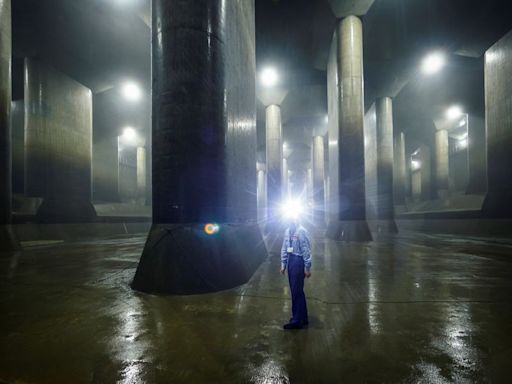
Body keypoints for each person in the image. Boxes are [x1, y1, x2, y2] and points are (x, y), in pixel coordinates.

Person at [280, 220, 312, 329]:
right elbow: (284, 248)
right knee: (297, 291)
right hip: (290, 260)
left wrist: (307, 267)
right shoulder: (287, 231)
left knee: (296, 291)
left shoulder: (301, 231)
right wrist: (283, 264)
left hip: (298, 261)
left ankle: (297, 320)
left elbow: (306, 249)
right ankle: (302, 317)